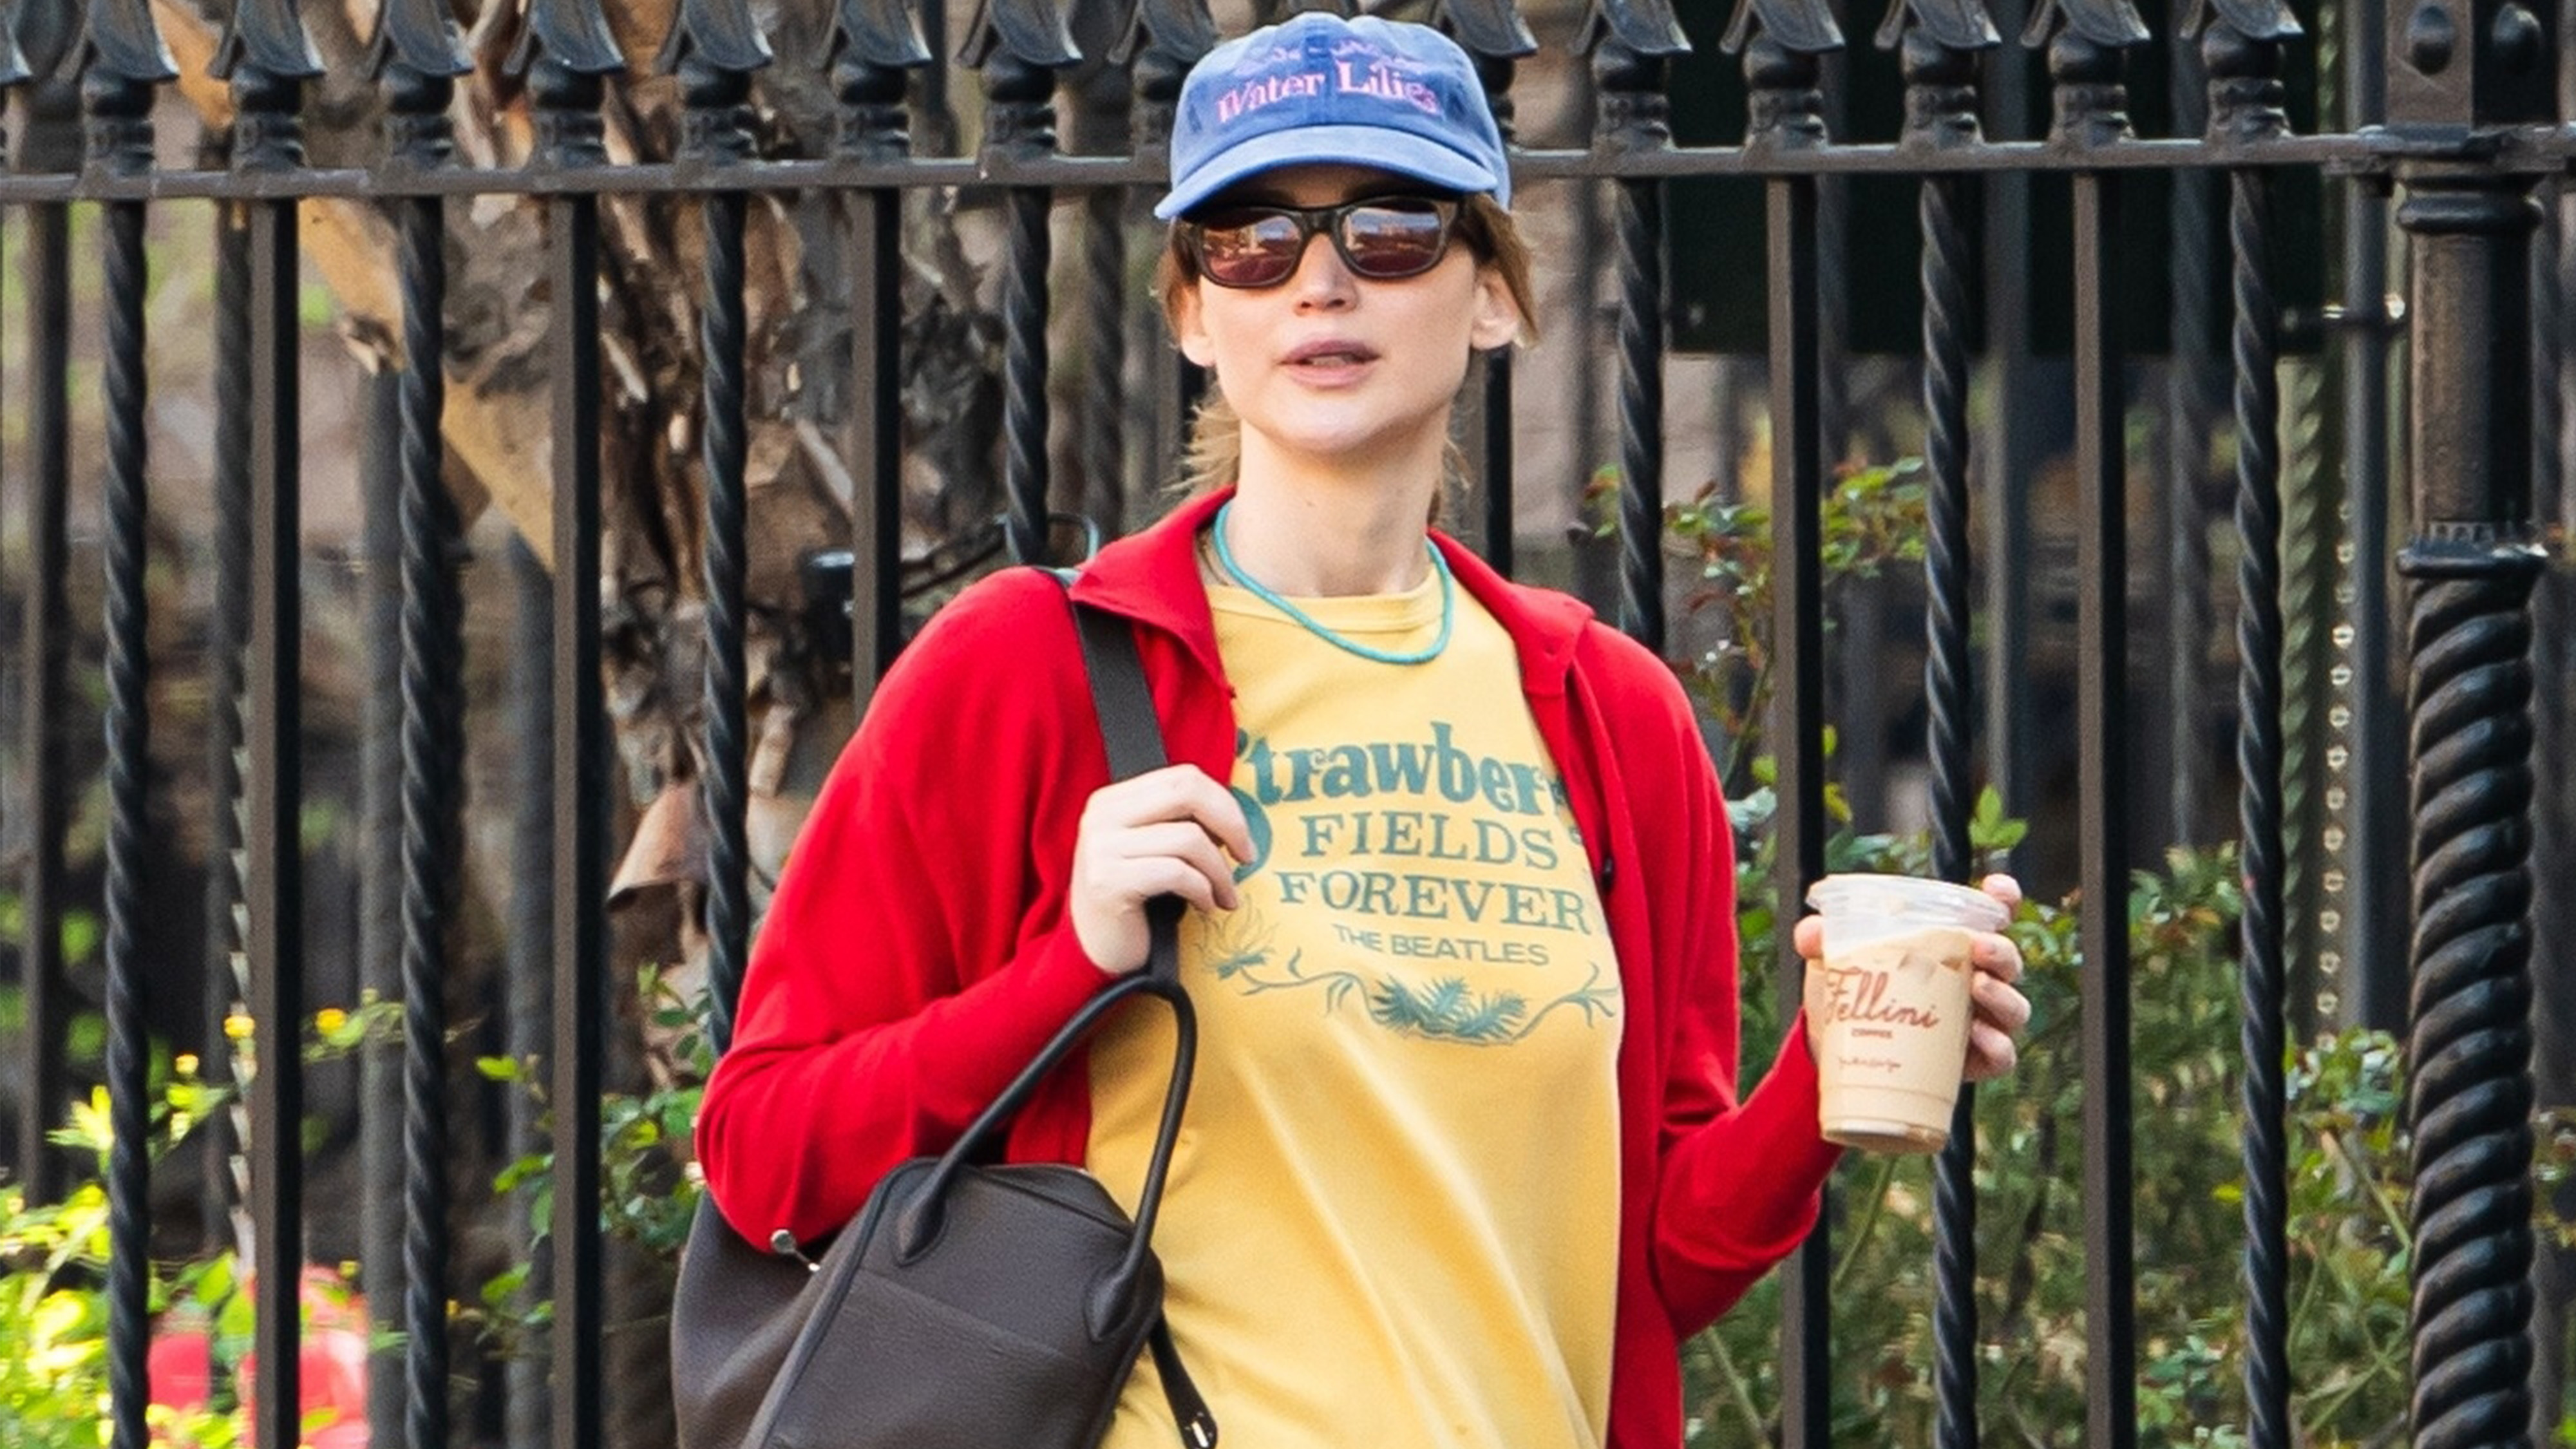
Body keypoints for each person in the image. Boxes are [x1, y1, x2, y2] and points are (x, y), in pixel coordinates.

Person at [694, 14, 2032, 1449]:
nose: (1317, 281)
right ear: (1194, 314)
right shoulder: (1028, 670)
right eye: (1249, 239)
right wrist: (1063, 969)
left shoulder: (1607, 712)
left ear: (1492, 297)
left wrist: (1822, 1089)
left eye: (1390, 230)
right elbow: (763, 1153)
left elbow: (1643, 1263)